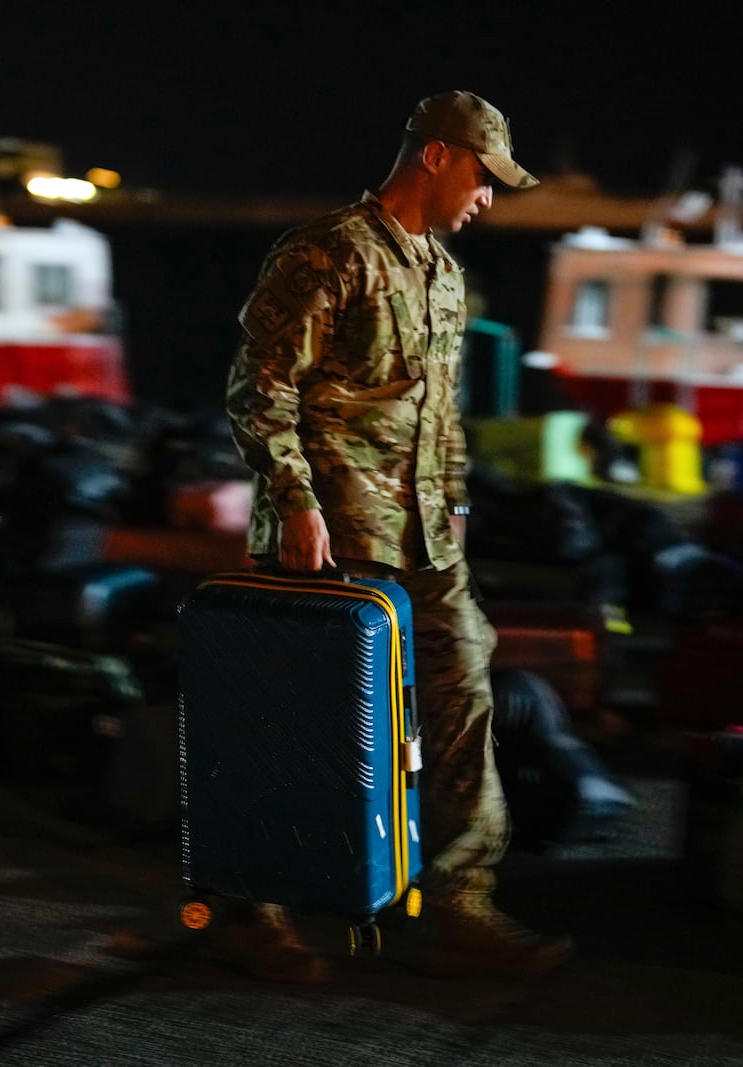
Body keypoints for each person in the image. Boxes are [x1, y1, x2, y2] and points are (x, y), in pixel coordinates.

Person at [222, 90, 573, 984]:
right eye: (484, 176)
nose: (489, 198)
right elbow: (261, 389)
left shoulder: (444, 274)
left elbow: (440, 414)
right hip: (333, 534)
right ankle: (248, 908)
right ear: (436, 157)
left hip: (424, 541)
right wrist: (294, 502)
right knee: (303, 720)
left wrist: (453, 507)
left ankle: (456, 902)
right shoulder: (325, 251)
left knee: (461, 688)